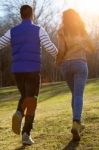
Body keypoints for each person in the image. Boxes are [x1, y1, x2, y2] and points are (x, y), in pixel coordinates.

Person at [0, 5, 58, 145]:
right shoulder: (38, 30)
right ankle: (26, 133)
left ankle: (20, 113)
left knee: (26, 96)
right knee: (32, 101)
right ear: (32, 15)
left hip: (17, 71)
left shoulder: (12, 31)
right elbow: (49, 46)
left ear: (21, 16)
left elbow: (0, 43)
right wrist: (59, 55)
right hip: (32, 70)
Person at [56, 9, 95, 141]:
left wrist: (58, 61)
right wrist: (84, 47)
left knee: (75, 94)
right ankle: (76, 121)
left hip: (66, 66)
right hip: (80, 64)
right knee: (78, 95)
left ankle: (78, 123)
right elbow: (92, 48)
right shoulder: (82, 30)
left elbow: (61, 50)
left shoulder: (62, 31)